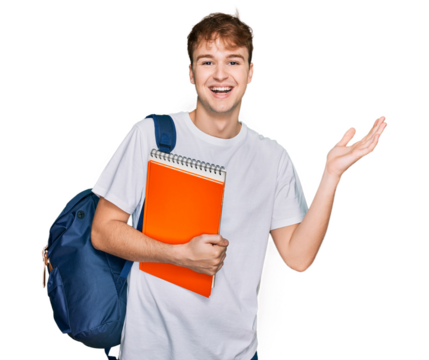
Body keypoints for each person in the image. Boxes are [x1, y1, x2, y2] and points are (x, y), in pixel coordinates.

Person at [91, 6, 389, 360]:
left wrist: (331, 175)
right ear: (190, 73)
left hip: (233, 354)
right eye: (207, 61)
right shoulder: (150, 136)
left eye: (233, 61)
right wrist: (178, 255)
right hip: (148, 351)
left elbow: (298, 256)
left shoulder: (273, 157)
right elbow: (103, 232)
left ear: (251, 73)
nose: (221, 74)